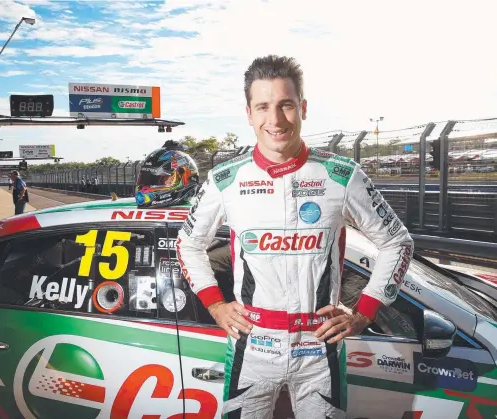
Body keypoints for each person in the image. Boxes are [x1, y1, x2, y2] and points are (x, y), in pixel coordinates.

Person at [175, 55, 414, 419]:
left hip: (320, 348)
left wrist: (364, 313)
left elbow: (398, 241)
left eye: (286, 105)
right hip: (251, 346)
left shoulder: (341, 174)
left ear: (302, 107)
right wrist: (215, 304)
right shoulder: (225, 179)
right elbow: (187, 243)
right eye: (263, 107)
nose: (275, 120)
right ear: (249, 113)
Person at [135, 140, 200, 208]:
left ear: (186, 180)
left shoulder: (200, 213)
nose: (145, 188)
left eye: (162, 180)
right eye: (146, 179)